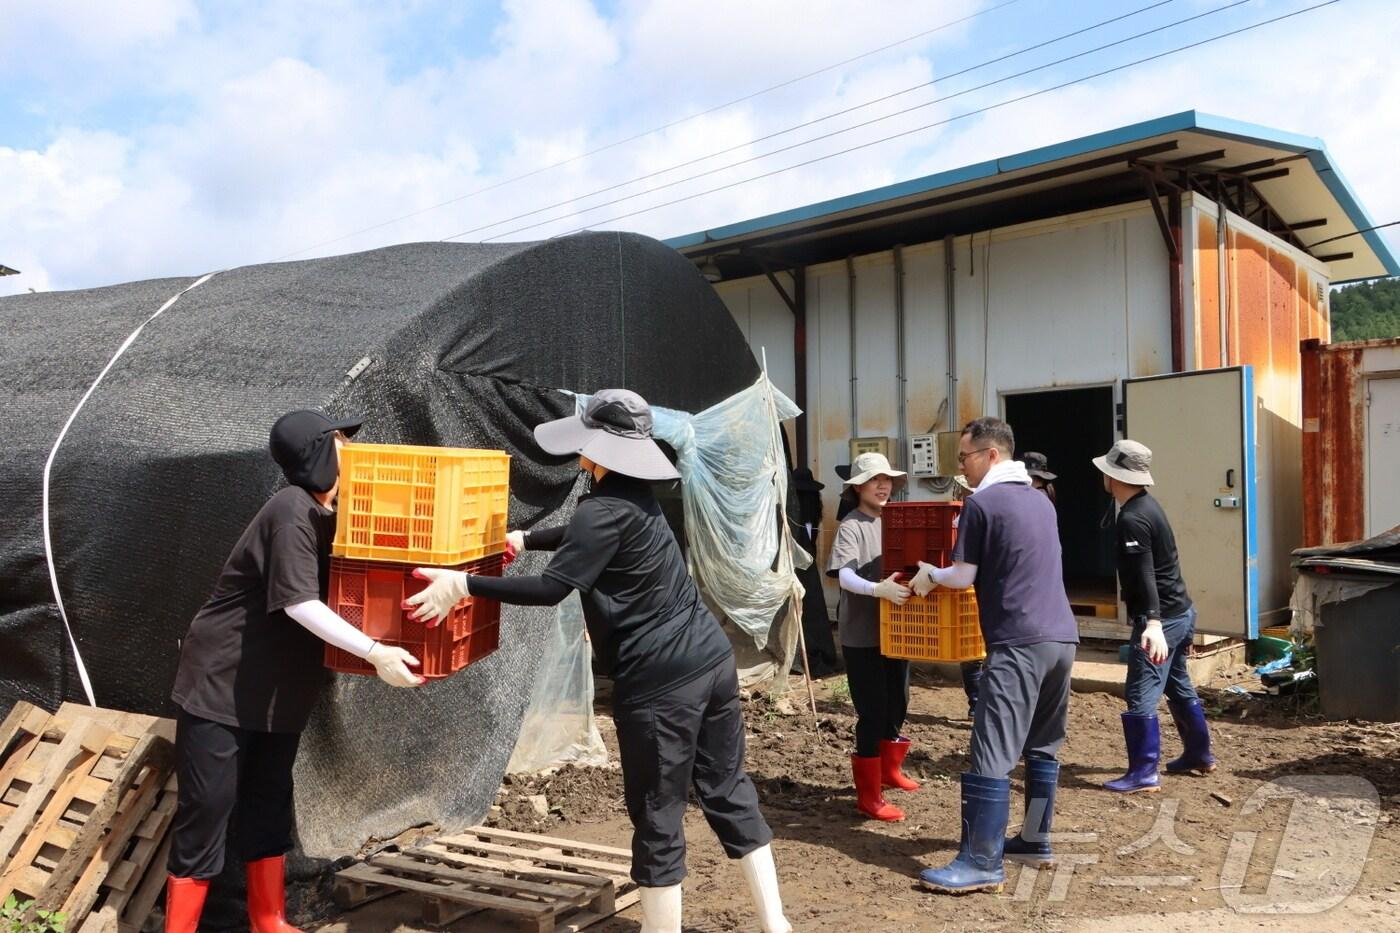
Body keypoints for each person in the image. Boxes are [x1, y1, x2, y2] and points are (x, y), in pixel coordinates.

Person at [405, 389, 790, 933]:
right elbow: (586, 535)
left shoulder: (601, 507)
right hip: (710, 659)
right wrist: (526, 536)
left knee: (658, 814)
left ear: (596, 450)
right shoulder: (637, 497)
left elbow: (549, 589)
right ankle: (777, 924)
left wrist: (461, 584)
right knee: (728, 790)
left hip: (660, 682)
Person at [166, 410, 424, 933]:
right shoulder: (290, 512)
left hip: (279, 691)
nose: (352, 450)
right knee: (208, 809)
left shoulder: (329, 515)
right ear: (321, 452)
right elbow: (300, 605)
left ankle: (269, 920)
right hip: (224, 684)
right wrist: (376, 651)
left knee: (268, 802)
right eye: (343, 442)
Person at [909, 418, 1080, 893]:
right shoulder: (1042, 502)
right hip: (1062, 639)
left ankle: (981, 861)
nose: (961, 468)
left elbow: (963, 577)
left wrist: (930, 573)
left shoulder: (982, 505)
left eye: (964, 457)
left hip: (1017, 642)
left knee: (992, 748)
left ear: (990, 455)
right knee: (1042, 747)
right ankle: (1034, 839)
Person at [1093, 440, 1216, 793]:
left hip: (1163, 618)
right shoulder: (1147, 506)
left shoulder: (1133, 518)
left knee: (1140, 691)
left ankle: (1144, 772)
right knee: (1177, 684)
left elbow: (1145, 574)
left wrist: (1153, 623)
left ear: (1112, 475)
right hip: (1180, 610)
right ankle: (1198, 753)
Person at [826, 451, 918, 822]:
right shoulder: (852, 525)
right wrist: (876, 590)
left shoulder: (896, 520)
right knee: (873, 710)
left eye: (887, 480)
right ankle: (869, 795)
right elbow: (843, 576)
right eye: (874, 480)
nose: (883, 485)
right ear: (857, 488)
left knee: (899, 701)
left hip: (898, 630)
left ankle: (889, 771)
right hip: (864, 633)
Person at [791, 467, 840, 677]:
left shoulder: (793, 509)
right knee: (814, 611)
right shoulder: (813, 510)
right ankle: (820, 651)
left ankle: (808, 653)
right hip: (808, 567)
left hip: (795, 565)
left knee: (802, 614)